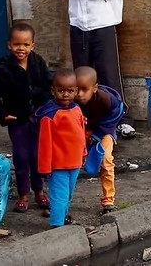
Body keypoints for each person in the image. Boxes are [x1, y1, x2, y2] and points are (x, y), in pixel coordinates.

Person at [60, 0, 135, 139]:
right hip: (79, 25)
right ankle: (85, 118)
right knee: (81, 75)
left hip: (102, 23)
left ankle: (121, 119)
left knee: (108, 74)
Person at [0, 22, 52, 214]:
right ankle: (23, 195)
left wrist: (46, 110)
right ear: (9, 45)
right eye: (17, 44)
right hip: (17, 120)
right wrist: (2, 114)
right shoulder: (5, 68)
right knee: (21, 156)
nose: (21, 49)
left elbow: (49, 87)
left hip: (38, 119)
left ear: (32, 45)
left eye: (25, 45)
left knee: (37, 155)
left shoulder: (38, 63)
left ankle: (39, 191)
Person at [35, 69, 86, 228]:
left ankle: (63, 217)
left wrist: (83, 152)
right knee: (59, 196)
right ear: (53, 91)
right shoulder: (49, 116)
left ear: (76, 91)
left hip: (75, 162)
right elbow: (44, 143)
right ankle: (57, 225)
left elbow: (81, 133)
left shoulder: (76, 109)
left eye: (70, 91)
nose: (65, 94)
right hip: (58, 165)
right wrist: (44, 167)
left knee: (68, 193)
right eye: (61, 90)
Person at [74, 66, 125, 215]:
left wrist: (96, 135)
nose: (80, 94)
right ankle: (63, 201)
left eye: (84, 90)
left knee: (106, 161)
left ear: (94, 88)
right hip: (83, 130)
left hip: (104, 131)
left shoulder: (106, 100)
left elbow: (116, 115)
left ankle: (108, 200)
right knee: (71, 163)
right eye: (76, 89)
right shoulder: (70, 98)